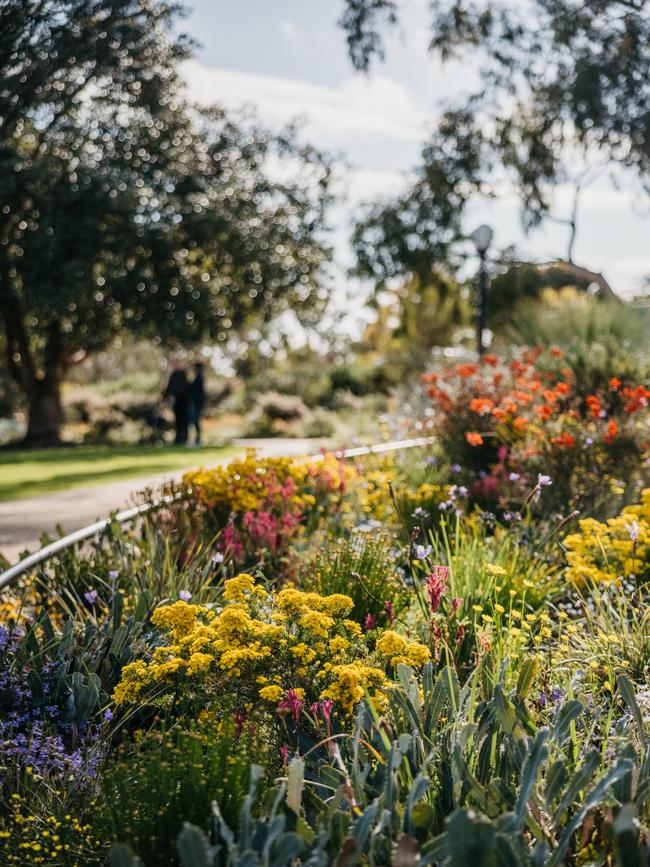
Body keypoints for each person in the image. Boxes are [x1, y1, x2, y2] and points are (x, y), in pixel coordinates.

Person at [163, 362, 189, 444]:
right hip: (176, 403)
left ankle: (183, 438)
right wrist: (165, 397)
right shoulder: (173, 375)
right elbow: (169, 387)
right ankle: (178, 438)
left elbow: (182, 388)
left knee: (183, 420)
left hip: (182, 402)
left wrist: (175, 397)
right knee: (177, 421)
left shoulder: (182, 375)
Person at [188, 361, 206, 445]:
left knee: (195, 420)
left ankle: (198, 439)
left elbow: (193, 388)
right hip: (196, 401)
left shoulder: (200, 377)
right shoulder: (198, 377)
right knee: (194, 420)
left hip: (197, 402)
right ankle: (197, 439)